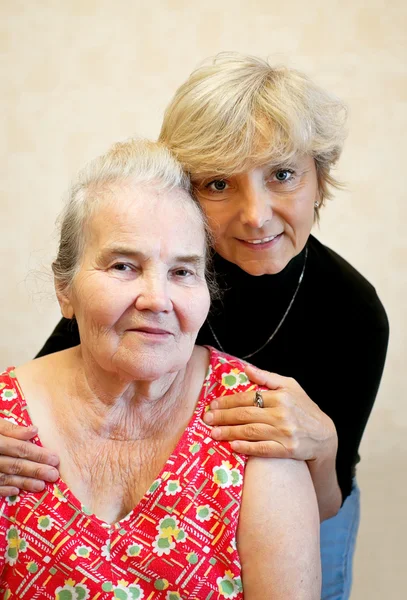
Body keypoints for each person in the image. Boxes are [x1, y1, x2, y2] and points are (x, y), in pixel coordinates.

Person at [0, 54, 389, 599]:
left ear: (319, 180)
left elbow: (325, 502)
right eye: (217, 184)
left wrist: (322, 446)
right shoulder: (149, 275)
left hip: (316, 504)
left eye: (282, 174)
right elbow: (57, 388)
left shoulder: (352, 310)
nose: (255, 215)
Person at [0, 139, 321, 599]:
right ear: (64, 290)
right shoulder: (6, 419)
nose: (157, 299)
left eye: (183, 272)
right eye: (124, 265)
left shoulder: (255, 425)